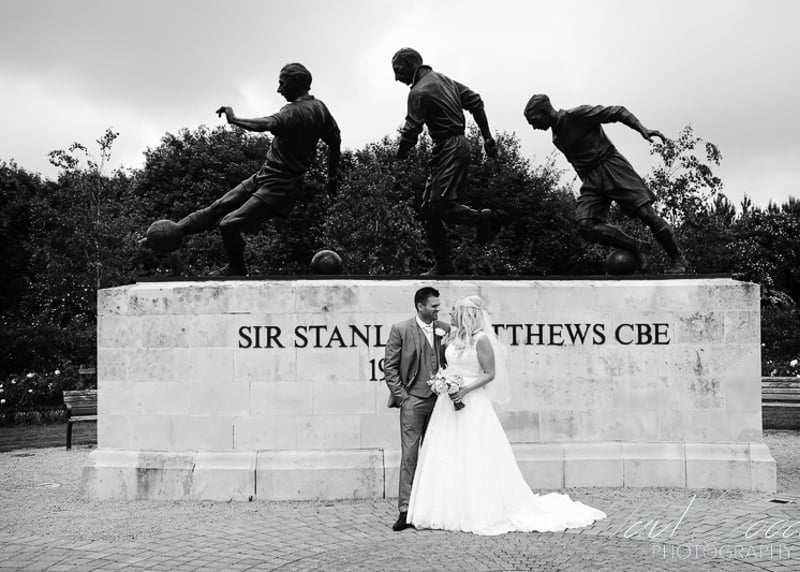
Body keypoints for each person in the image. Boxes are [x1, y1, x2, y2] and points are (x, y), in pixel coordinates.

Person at [407, 295, 607, 535]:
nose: (449, 313)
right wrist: (444, 382)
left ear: (465, 314)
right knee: (446, 451)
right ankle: (443, 509)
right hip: (447, 403)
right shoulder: (452, 337)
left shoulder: (481, 340)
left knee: (474, 452)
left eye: (453, 310)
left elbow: (489, 373)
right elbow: (449, 366)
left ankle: (478, 508)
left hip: (472, 401)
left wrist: (465, 390)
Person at [167, 63, 341, 276]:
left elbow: (265, 124)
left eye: (282, 83)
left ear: (297, 82)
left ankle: (236, 268)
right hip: (266, 175)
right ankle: (176, 229)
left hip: (281, 185)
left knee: (228, 224)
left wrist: (234, 119)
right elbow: (335, 141)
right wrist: (332, 178)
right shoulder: (321, 108)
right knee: (218, 207)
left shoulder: (293, 112)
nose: (279, 89)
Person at [524, 94, 687, 274]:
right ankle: (636, 246)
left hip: (612, 166)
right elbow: (578, 163)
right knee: (585, 225)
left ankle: (677, 259)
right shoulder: (556, 138)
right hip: (592, 180)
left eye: (534, 121)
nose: (534, 127)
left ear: (545, 111)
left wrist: (642, 128)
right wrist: (592, 190)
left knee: (647, 214)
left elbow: (617, 111)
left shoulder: (577, 115)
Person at [392, 47, 499, 276]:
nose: (396, 77)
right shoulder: (446, 80)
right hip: (450, 147)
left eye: (398, 70)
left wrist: (398, 158)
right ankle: (444, 264)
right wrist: (487, 136)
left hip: (451, 147)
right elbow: (475, 101)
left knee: (437, 207)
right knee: (429, 211)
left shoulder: (419, 92)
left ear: (410, 63)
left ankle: (481, 219)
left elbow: (411, 130)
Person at [383, 286, 451, 531]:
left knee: (438, 454)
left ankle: (437, 508)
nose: (438, 310)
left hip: (440, 402)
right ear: (420, 306)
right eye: (434, 306)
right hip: (413, 401)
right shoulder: (401, 329)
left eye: (438, 306)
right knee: (410, 455)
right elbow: (389, 367)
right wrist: (404, 398)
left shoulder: (445, 329)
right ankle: (405, 510)